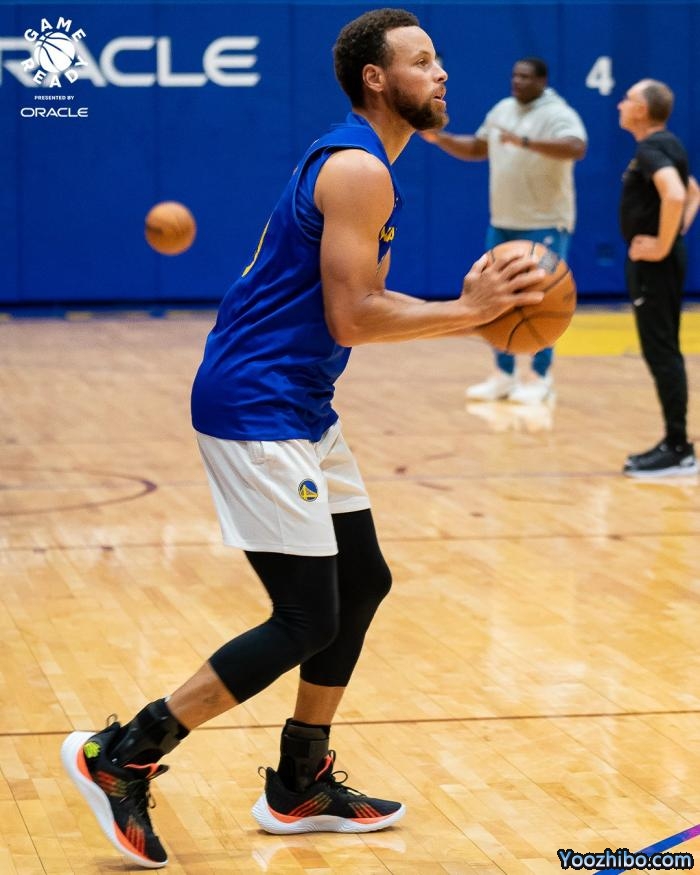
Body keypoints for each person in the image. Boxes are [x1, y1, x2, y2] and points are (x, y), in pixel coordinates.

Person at [60, 8, 547, 869]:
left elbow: (359, 306)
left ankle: (299, 782)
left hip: (301, 404)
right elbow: (353, 316)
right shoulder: (358, 167)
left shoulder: (365, 164)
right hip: (258, 404)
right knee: (304, 616)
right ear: (375, 77)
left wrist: (462, 313)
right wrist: (468, 313)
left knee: (362, 581)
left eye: (438, 59)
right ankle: (124, 753)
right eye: (422, 60)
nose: (441, 72)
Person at [420, 57, 587, 404]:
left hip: (545, 222)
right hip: (503, 222)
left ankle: (540, 378)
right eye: (514, 75)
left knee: (543, 297)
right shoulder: (502, 110)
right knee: (494, 295)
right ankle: (503, 375)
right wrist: (440, 139)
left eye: (525, 77)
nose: (517, 81)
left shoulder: (558, 113)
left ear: (542, 81)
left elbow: (577, 147)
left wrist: (525, 142)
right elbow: (478, 147)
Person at [618, 79, 699, 478]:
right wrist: (675, 232)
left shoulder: (652, 148)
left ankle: (678, 448)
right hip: (660, 263)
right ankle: (675, 444)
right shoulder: (666, 144)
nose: (621, 104)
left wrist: (662, 244)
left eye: (628, 99)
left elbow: (677, 194)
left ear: (642, 110)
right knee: (662, 349)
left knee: (661, 351)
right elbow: (693, 191)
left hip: (656, 266)